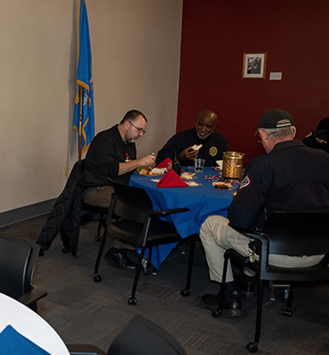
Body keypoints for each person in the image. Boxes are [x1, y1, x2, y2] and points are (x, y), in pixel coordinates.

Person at [199, 109, 329, 317]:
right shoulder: (325, 158)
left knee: (210, 225)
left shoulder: (264, 164)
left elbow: (240, 218)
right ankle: (247, 282)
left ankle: (229, 295)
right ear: (293, 131)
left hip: (276, 253)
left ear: (263, 135)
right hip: (320, 252)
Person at [82, 110, 156, 268]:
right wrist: (138, 162)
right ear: (127, 124)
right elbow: (111, 169)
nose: (141, 134)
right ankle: (118, 249)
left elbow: (128, 169)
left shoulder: (129, 142)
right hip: (97, 188)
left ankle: (134, 243)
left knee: (145, 198)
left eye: (143, 131)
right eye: (139, 130)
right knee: (131, 203)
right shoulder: (105, 139)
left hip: (117, 187)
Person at [155, 110, 228, 167]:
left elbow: (226, 166)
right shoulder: (181, 137)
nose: (203, 129)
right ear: (196, 122)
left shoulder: (221, 142)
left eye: (208, 126)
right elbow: (160, 159)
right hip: (183, 180)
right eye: (201, 125)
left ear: (214, 126)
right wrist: (180, 157)